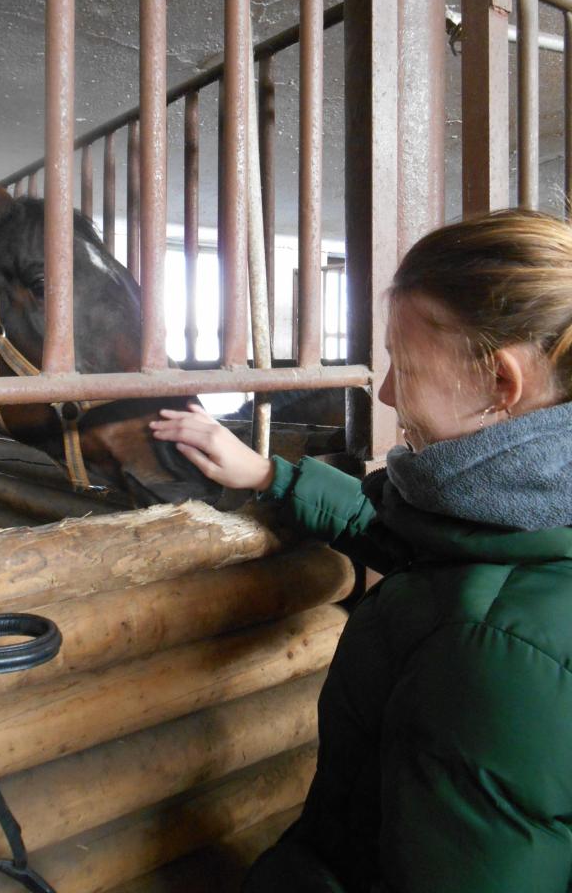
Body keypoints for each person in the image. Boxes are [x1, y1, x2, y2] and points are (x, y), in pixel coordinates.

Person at [150, 209, 572, 893]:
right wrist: (270, 475)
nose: (386, 391)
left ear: (502, 383)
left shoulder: (487, 648)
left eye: (405, 364)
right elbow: (425, 541)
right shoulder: (522, 520)